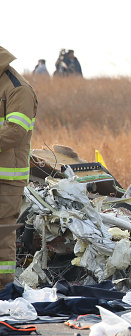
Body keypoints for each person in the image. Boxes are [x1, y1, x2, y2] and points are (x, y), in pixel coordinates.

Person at [0, 46, 38, 290]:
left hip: (8, 178)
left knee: (2, 234)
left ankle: (3, 288)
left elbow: (15, 131)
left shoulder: (18, 89)